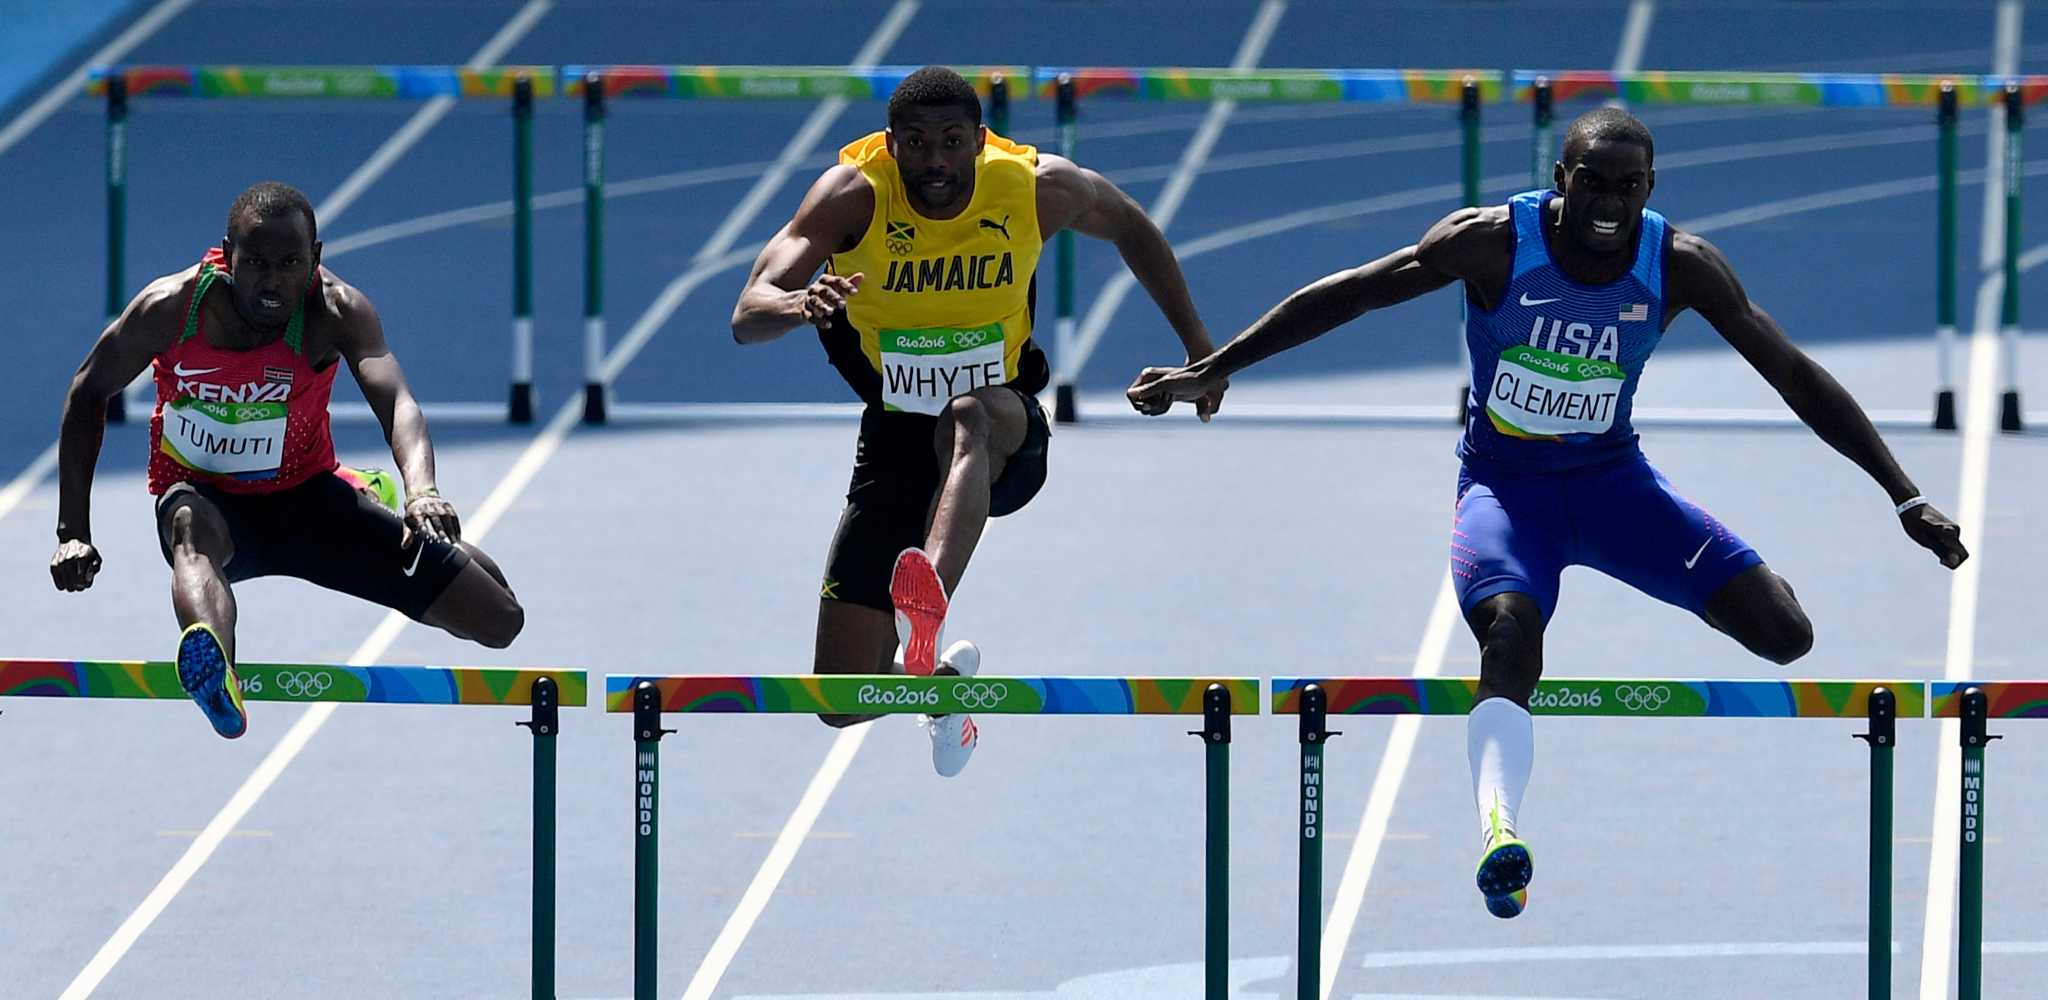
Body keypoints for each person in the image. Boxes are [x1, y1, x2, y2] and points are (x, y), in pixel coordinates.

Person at [1126, 107, 1968, 917]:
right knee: (1509, 632)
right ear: (1561, 178)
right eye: (1593, 183)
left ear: (1649, 187)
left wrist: (1906, 493)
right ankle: (1500, 830)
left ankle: (1728, 572)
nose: (1609, 205)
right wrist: (1215, 367)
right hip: (1507, 492)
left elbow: (1793, 375)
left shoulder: (1681, 264)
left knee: (1786, 636)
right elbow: (1351, 295)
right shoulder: (1492, 243)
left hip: (1614, 490)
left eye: (1628, 187)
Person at [733, 66, 1226, 776]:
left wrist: (1200, 351)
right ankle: (937, 686)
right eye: (916, 144)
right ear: (891, 143)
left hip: (1003, 430)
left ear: (979, 141)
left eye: (952, 142)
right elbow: (748, 313)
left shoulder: (1033, 187)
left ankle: (924, 613)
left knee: (967, 413)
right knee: (842, 695)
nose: (934, 161)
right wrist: (800, 303)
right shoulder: (853, 196)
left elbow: (1130, 225)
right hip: (896, 436)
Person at [50, 181, 525, 739]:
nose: (272, 281)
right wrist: (72, 530)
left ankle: (395, 516)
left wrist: (421, 491)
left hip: (309, 501)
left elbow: (396, 400)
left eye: (289, 263)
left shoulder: (335, 312)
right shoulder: (172, 308)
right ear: (227, 257)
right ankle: (216, 674)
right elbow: (87, 391)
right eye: (255, 263)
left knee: (499, 620)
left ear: (315, 259)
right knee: (187, 529)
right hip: (206, 502)